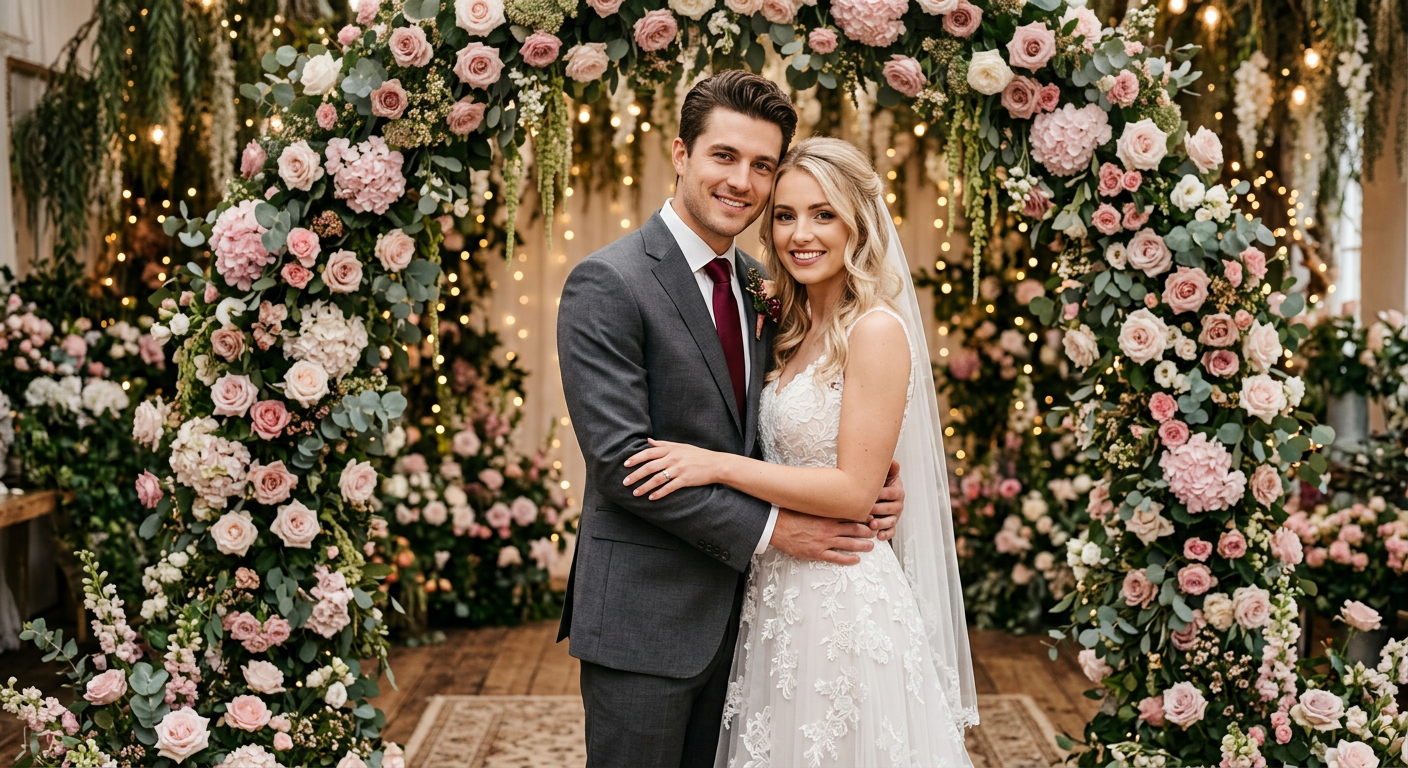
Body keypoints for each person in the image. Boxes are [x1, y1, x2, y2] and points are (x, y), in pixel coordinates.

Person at [556, 72, 906, 767]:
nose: (742, 181)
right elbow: (624, 465)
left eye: (762, 165)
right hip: (647, 621)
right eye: (724, 156)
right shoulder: (609, 282)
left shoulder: (766, 288)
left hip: (760, 625)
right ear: (680, 154)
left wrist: (869, 483)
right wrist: (777, 529)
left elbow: (785, 425)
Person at [622, 137, 978, 766]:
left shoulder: (875, 330)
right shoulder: (784, 321)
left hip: (841, 596)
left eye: (823, 214)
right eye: (785, 215)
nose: (800, 234)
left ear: (857, 225)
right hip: (773, 593)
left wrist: (716, 465)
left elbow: (854, 492)